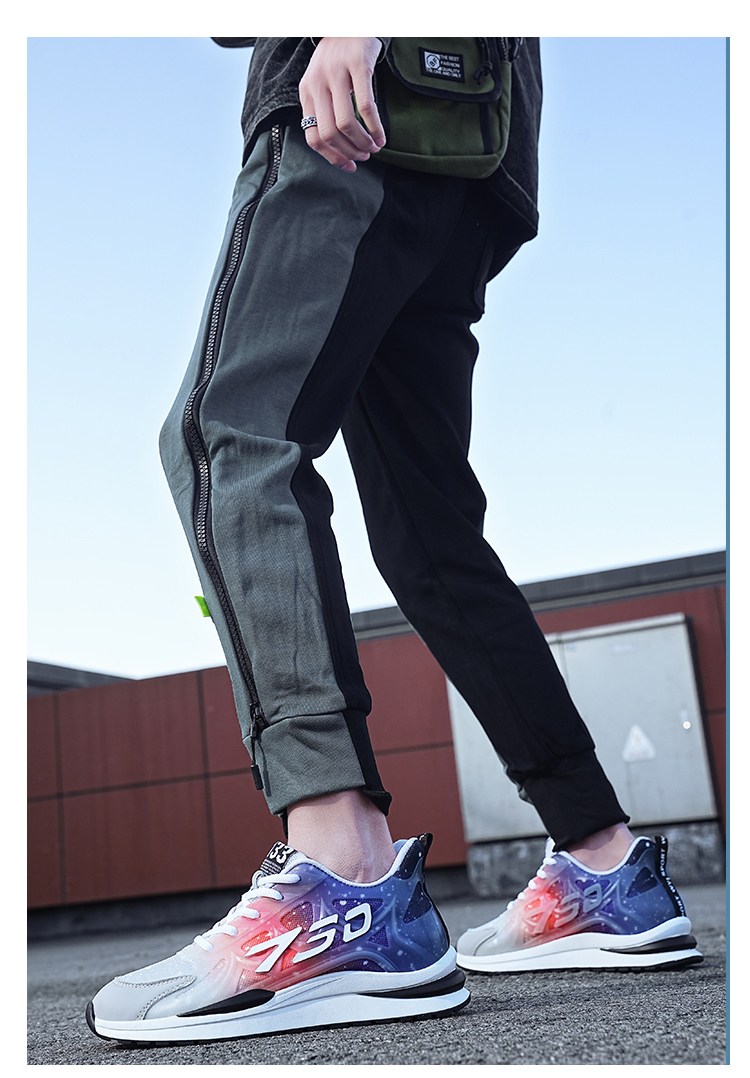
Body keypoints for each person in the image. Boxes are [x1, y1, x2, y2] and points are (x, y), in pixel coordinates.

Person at [85, 37, 702, 1045]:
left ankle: (344, 877)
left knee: (228, 437)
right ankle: (604, 863)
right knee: (430, 537)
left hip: (361, 108)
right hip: (477, 159)